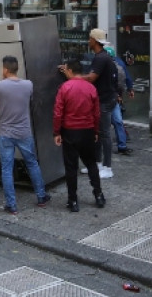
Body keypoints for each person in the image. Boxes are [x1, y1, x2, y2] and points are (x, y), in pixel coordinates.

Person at [0, 55, 50, 215]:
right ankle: (41, 196)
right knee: (32, 163)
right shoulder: (28, 85)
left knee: (7, 168)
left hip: (5, 133)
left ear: (6, 69)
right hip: (24, 132)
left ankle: (11, 205)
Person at [60, 28, 118, 179]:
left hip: (105, 100)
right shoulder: (101, 57)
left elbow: (92, 78)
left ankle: (107, 167)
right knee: (96, 132)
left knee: (104, 134)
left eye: (90, 39)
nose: (88, 41)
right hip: (104, 99)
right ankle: (97, 163)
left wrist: (72, 77)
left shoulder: (100, 58)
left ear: (94, 41)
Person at [53, 58, 105, 212]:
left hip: (69, 131)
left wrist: (56, 132)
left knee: (71, 167)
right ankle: (99, 195)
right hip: (88, 130)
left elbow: (58, 113)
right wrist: (96, 131)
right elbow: (96, 113)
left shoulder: (64, 88)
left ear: (69, 70)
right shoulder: (91, 88)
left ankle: (73, 201)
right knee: (91, 164)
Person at [104, 45, 134, 155]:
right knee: (118, 121)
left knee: (111, 122)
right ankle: (122, 145)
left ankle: (119, 145)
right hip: (114, 97)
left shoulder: (105, 65)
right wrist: (130, 89)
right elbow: (127, 77)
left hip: (110, 98)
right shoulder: (119, 62)